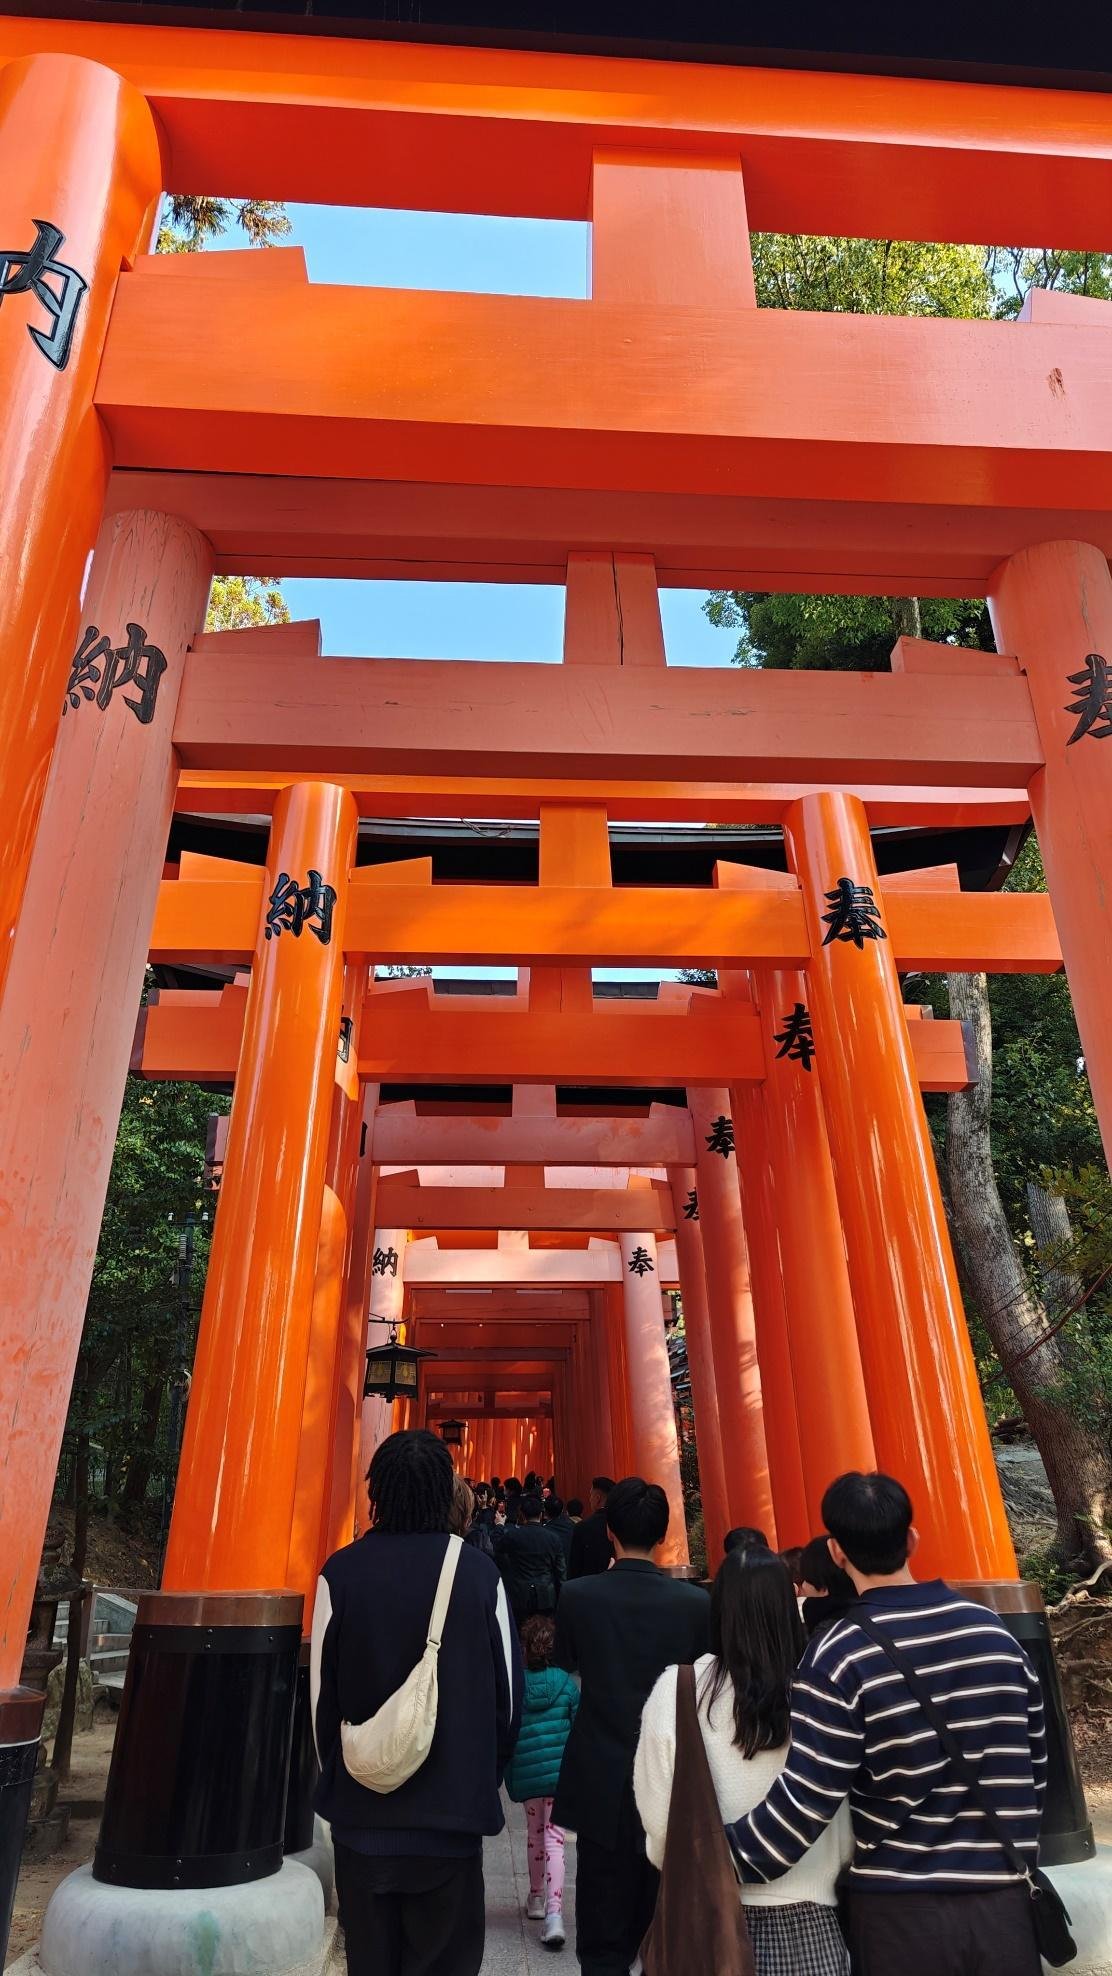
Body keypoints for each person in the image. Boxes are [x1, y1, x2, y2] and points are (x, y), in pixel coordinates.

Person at [726, 1472, 1048, 1976]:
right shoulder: (996, 1634)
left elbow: (805, 1802)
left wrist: (707, 1854)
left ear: (836, 1553)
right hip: (1004, 1902)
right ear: (912, 1539)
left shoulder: (837, 1656)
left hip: (901, 1911)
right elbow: (1034, 1770)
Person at [311, 1429, 523, 1976]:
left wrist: (343, 1773)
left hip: (363, 1817)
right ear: (443, 1490)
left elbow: (321, 1704)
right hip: (449, 1822)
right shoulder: (479, 1575)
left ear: (376, 1490)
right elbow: (508, 1703)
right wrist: (478, 1777)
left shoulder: (340, 1572)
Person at [635, 1550, 850, 1976]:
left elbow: (661, 1823)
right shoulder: (823, 1692)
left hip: (702, 1926)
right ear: (790, 1608)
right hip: (810, 1929)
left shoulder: (677, 1691)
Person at [553, 1476, 710, 1976]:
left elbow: (566, 1659)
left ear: (609, 1532)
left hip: (602, 1770)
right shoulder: (696, 1606)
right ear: (663, 1535)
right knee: (663, 1917)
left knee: (602, 1928)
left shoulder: (578, 1596)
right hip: (671, 1773)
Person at [504, 1614, 580, 1952]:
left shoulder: (516, 1686)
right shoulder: (566, 1683)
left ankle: (535, 1897)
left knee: (534, 1835)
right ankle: (554, 1913)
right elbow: (578, 1728)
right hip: (559, 1775)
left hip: (529, 1776)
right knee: (555, 1840)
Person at [496, 1488, 567, 1625]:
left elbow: (497, 1547)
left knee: (521, 1632)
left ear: (521, 1514)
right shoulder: (553, 1538)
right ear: (541, 1514)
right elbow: (561, 1571)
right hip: (546, 1595)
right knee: (544, 1635)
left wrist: (499, 1526)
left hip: (519, 1594)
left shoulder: (513, 1536)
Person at [797, 1533, 857, 1641]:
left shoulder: (824, 1634)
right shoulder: (870, 1615)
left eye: (806, 1579)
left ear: (823, 1587)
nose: (804, 1586)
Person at [567, 1476, 615, 1579]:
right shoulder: (621, 1524)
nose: (589, 1499)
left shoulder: (582, 1527)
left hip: (587, 1587)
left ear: (597, 1498)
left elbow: (574, 1569)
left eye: (590, 1495)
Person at [544, 1492, 576, 1566]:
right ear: (562, 1510)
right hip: (573, 1570)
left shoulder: (543, 1532)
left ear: (545, 1512)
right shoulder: (573, 1526)